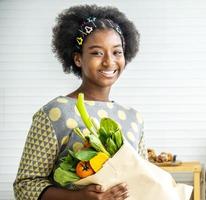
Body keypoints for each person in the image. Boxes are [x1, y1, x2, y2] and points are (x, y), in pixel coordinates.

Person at [13, 4, 147, 200]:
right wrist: (79, 197)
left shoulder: (133, 118)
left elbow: (144, 181)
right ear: (77, 59)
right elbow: (25, 185)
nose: (109, 61)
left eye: (117, 52)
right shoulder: (55, 113)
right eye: (97, 53)